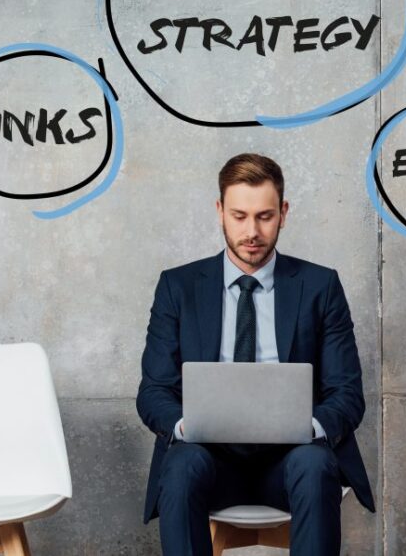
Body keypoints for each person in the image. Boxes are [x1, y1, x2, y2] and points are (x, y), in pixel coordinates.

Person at [136, 153, 374, 555]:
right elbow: (154, 391)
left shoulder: (320, 286)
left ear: (283, 213)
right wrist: (185, 426)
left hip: (290, 463)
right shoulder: (178, 287)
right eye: (239, 215)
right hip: (209, 462)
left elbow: (347, 394)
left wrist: (306, 427)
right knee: (178, 468)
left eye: (264, 216)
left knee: (316, 466)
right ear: (220, 212)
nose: (251, 231)